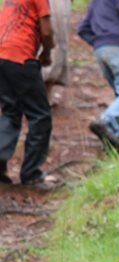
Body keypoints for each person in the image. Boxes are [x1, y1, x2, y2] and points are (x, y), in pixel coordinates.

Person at [0, 0, 54, 186]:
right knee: (40, 116)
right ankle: (31, 173)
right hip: (21, 56)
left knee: (11, 112)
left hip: (2, 55)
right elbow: (46, 30)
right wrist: (47, 53)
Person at [78, 0, 119, 152]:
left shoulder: (96, 2)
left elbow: (83, 28)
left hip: (101, 50)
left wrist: (98, 42)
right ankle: (106, 121)